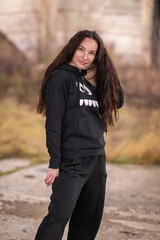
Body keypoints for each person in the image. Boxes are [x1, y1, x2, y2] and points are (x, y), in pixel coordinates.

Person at [35, 30, 124, 240]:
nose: (85, 56)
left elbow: (117, 100)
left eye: (92, 53)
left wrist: (106, 67)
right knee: (59, 216)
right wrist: (54, 162)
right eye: (81, 49)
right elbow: (54, 123)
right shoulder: (60, 78)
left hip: (96, 160)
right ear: (72, 48)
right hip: (72, 162)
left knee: (87, 222)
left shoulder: (87, 84)